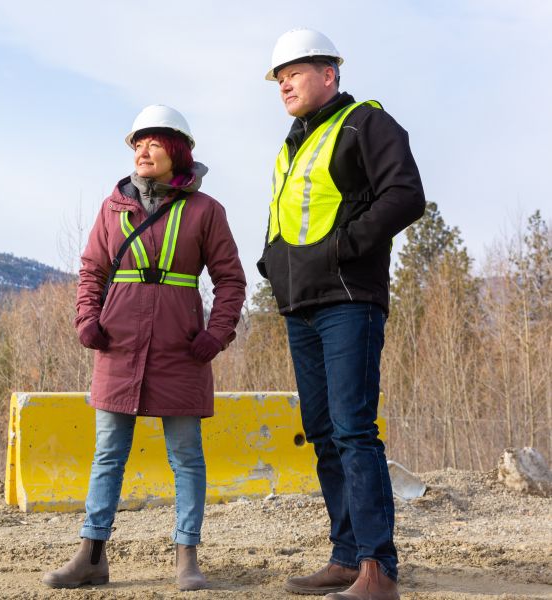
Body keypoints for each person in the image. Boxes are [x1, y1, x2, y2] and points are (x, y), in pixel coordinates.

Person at [42, 105, 246, 591]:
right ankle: (91, 557)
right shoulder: (113, 207)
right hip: (119, 349)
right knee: (109, 454)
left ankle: (187, 559)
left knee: (186, 458)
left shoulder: (206, 210)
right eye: (137, 143)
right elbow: (92, 269)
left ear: (177, 151)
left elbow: (230, 280)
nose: (142, 151)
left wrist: (216, 334)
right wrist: (87, 319)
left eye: (153, 143)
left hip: (181, 352)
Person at [257, 28, 425, 600]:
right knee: (325, 434)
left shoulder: (365, 124)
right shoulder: (293, 144)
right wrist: (271, 264)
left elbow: (404, 194)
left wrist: (341, 250)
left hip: (348, 300)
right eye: (279, 77)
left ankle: (378, 569)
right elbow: (288, 216)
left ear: (329, 73)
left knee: (355, 430)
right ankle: (346, 556)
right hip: (300, 304)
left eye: (294, 72)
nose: (284, 83)